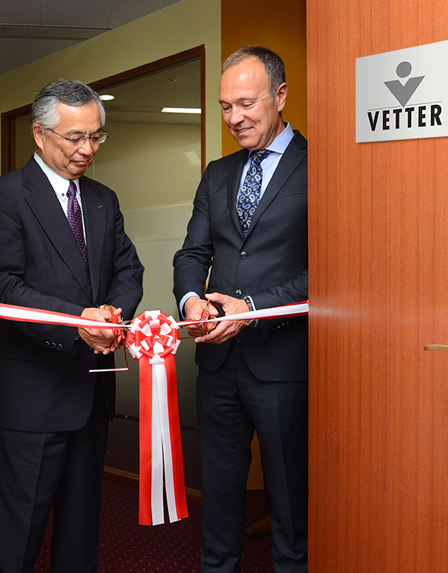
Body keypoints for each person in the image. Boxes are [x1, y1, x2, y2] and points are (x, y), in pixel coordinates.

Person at [0, 79, 144, 572]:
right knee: (20, 528)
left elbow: (128, 271)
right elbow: (3, 286)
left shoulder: (103, 199)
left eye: (96, 137)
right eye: (74, 137)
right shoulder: (5, 196)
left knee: (82, 527)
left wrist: (112, 318)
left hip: (91, 389)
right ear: (40, 134)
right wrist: (76, 320)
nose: (87, 149)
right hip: (34, 394)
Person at [173, 46, 308, 573]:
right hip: (218, 366)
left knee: (289, 502)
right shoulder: (218, 172)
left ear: (280, 96)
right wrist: (192, 301)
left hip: (283, 365)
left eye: (246, 104)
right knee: (222, 497)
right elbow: (193, 252)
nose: (235, 118)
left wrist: (251, 308)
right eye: (226, 106)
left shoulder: (322, 165)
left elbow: (331, 271)